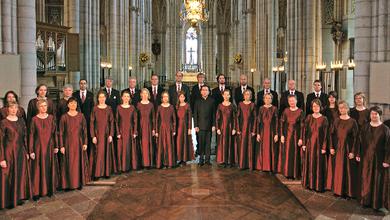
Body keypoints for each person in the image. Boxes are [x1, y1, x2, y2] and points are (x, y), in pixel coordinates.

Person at [357, 106, 390, 210]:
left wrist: (387, 160)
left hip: (379, 159)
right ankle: (365, 200)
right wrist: (358, 154)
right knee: (365, 179)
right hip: (366, 157)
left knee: (377, 180)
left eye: (376, 114)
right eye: (372, 114)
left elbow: (388, 146)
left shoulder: (385, 129)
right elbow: (360, 142)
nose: (374, 116)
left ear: (380, 115)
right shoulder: (365, 127)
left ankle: (375, 203)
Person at [0, 101, 31, 208]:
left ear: (18, 109)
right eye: (11, 108)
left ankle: (18, 197)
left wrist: (27, 151)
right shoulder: (3, 122)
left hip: (20, 152)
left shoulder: (22, 121)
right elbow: (0, 141)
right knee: (8, 176)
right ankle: (7, 200)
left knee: (20, 174)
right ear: (7, 109)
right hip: (8, 153)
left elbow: (25, 137)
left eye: (15, 108)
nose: (13, 110)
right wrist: (2, 158)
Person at [29, 99, 58, 199]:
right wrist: (31, 150)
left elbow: (55, 133)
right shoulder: (34, 119)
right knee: (38, 169)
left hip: (49, 147)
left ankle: (49, 190)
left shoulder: (51, 118)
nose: (43, 108)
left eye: (45, 106)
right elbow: (31, 135)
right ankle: (37, 192)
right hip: (38, 147)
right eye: (41, 106)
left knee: (49, 167)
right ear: (38, 107)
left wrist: (56, 146)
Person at [59, 97, 89, 190]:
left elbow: (84, 130)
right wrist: (62, 146)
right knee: (68, 163)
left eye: (75, 103)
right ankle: (68, 184)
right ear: (68, 105)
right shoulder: (64, 117)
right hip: (67, 143)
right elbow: (60, 132)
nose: (73, 105)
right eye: (71, 103)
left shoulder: (81, 116)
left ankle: (78, 182)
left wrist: (85, 143)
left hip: (78, 143)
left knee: (78, 163)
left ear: (77, 105)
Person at [329, 101, 359, 198]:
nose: (342, 110)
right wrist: (331, 147)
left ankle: (347, 191)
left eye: (344, 108)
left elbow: (356, 138)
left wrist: (353, 151)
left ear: (347, 109)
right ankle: (338, 190)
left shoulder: (353, 122)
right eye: (340, 108)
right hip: (338, 148)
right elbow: (331, 135)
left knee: (347, 170)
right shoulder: (336, 120)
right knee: (338, 169)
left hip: (347, 149)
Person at [301, 99, 328, 192]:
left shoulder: (324, 119)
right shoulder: (308, 117)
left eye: (317, 106)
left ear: (320, 107)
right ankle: (309, 183)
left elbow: (325, 135)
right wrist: (304, 144)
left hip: (319, 145)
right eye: (314, 106)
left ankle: (317, 185)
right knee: (309, 163)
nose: (315, 108)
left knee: (318, 164)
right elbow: (304, 131)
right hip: (309, 145)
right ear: (311, 108)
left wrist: (324, 147)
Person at [90, 91, 116, 179]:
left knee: (106, 152)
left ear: (105, 98)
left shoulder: (109, 108)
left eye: (103, 97)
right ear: (97, 98)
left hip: (106, 133)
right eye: (100, 97)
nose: (101, 99)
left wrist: (111, 135)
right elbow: (92, 123)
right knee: (98, 153)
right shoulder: (94, 108)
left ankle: (106, 172)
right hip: (97, 134)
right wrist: (93, 136)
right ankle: (97, 173)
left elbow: (112, 122)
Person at [279, 95, 305, 179]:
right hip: (287, 136)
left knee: (295, 154)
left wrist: (301, 138)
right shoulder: (286, 111)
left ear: (296, 101)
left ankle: (295, 173)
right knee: (287, 154)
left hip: (296, 136)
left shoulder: (300, 111)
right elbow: (282, 123)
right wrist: (282, 135)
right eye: (290, 101)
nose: (292, 102)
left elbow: (302, 126)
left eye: (293, 101)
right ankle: (287, 173)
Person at [116, 90, 139, 172]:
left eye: (127, 96)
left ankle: (129, 166)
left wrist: (135, 131)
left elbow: (135, 120)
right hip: (121, 132)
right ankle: (122, 167)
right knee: (122, 149)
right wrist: (118, 133)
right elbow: (116, 121)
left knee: (130, 149)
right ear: (122, 97)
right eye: (124, 96)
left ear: (130, 98)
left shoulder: (132, 108)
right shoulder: (118, 107)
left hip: (130, 131)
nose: (126, 98)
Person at [256, 93, 279, 172]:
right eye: (266, 98)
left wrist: (276, 134)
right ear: (264, 99)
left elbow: (276, 122)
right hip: (263, 131)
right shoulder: (261, 108)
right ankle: (262, 166)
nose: (268, 100)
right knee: (262, 148)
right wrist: (258, 133)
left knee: (271, 148)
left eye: (269, 98)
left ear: (271, 99)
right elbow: (258, 121)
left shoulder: (274, 108)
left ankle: (270, 167)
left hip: (271, 131)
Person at [194, 85, 215, 166]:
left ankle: (207, 160)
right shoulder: (197, 101)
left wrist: (213, 125)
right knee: (201, 143)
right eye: (203, 90)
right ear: (201, 91)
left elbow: (213, 114)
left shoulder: (212, 101)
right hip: (200, 126)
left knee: (208, 143)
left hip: (209, 125)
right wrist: (196, 126)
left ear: (209, 92)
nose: (205, 91)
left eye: (206, 90)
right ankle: (201, 159)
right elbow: (195, 114)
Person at [155, 91, 177, 169]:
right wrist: (156, 131)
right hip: (161, 129)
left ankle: (170, 162)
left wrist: (174, 130)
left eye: (166, 97)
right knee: (162, 146)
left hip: (169, 129)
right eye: (164, 97)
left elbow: (174, 119)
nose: (165, 98)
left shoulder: (171, 107)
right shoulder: (159, 107)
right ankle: (162, 163)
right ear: (162, 98)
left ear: (168, 98)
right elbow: (157, 120)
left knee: (169, 145)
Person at [323, 91, 339, 191]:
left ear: (336, 98)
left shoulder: (339, 109)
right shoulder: (325, 109)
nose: (331, 99)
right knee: (328, 155)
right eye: (330, 97)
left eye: (333, 97)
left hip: (337, 135)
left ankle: (336, 178)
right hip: (328, 134)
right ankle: (328, 179)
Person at [72, 79, 94, 154]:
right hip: (77, 120)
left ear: (86, 85)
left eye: (84, 83)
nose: (83, 85)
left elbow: (92, 108)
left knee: (87, 136)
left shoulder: (91, 95)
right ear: (79, 84)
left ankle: (87, 152)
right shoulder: (75, 94)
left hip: (88, 120)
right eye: (81, 83)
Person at [236, 90, 257, 170]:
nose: (247, 96)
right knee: (242, 146)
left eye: (249, 94)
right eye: (246, 94)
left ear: (250, 96)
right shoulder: (240, 104)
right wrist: (238, 128)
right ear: (243, 95)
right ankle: (242, 164)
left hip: (250, 128)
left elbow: (255, 118)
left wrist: (254, 130)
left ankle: (250, 165)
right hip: (242, 128)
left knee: (250, 146)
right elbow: (237, 117)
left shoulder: (253, 105)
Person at [216, 89, 236, 167]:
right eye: (225, 94)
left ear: (230, 96)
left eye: (228, 95)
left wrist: (234, 128)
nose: (226, 96)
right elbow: (217, 118)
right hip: (222, 127)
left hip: (230, 127)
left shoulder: (232, 106)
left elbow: (234, 118)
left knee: (230, 143)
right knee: (222, 143)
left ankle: (229, 160)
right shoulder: (220, 105)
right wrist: (217, 128)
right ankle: (223, 160)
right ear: (223, 95)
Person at [137, 88, 155, 168]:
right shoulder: (138, 104)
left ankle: (148, 163)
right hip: (140, 127)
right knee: (141, 144)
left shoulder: (151, 105)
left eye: (146, 93)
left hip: (149, 127)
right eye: (143, 93)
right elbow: (136, 118)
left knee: (148, 144)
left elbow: (153, 117)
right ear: (141, 95)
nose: (144, 95)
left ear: (148, 95)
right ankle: (142, 163)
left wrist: (154, 128)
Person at [176, 91, 194, 166]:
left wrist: (189, 128)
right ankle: (179, 158)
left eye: (183, 97)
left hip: (185, 126)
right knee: (179, 142)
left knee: (185, 142)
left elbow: (189, 118)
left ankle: (184, 159)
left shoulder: (187, 106)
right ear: (178, 98)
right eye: (180, 97)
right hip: (178, 127)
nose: (182, 98)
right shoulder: (176, 106)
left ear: (185, 97)